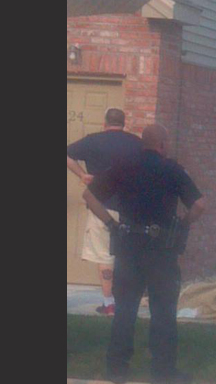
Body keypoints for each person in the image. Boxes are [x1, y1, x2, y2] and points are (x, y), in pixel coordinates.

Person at [83, 124, 206, 384]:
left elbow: (89, 196)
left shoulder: (123, 166)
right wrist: (183, 224)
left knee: (125, 309)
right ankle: (162, 371)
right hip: (161, 250)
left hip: (128, 246)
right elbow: (199, 204)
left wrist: (110, 223)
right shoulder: (172, 169)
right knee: (163, 309)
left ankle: (117, 369)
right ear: (161, 144)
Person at [67, 108, 143, 316]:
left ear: (105, 123)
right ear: (124, 123)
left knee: (104, 256)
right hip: (131, 208)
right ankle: (127, 303)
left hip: (100, 206)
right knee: (128, 256)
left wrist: (82, 175)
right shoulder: (136, 143)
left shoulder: (92, 141)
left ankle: (109, 304)